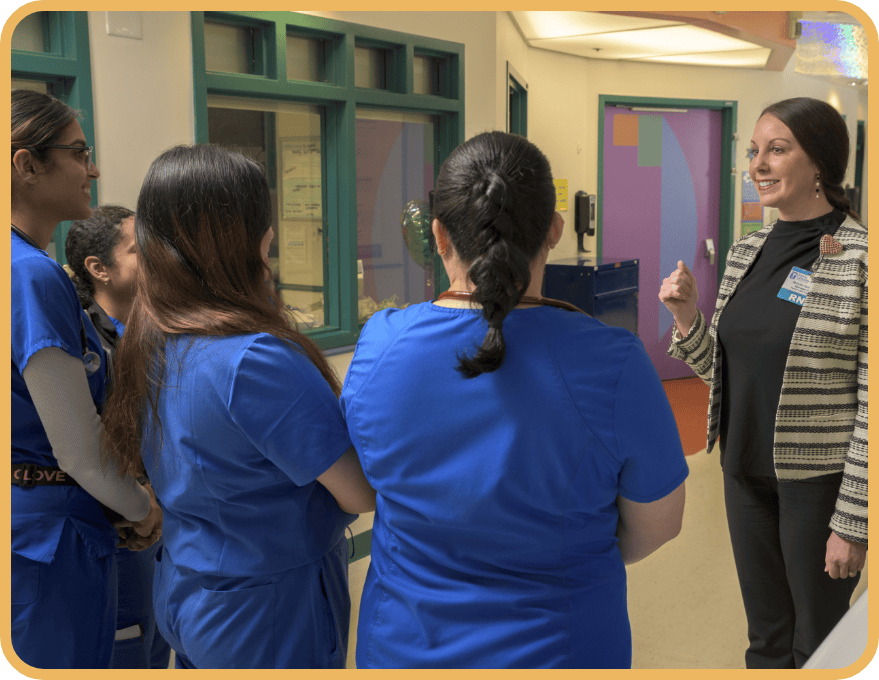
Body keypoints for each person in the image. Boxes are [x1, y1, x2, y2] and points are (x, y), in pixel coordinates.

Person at [340, 131, 688, 668]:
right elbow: (658, 526)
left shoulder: (382, 345)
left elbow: (368, 475)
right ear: (554, 230)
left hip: (405, 649)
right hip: (559, 650)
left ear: (437, 235)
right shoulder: (613, 361)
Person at [101, 144, 376, 669]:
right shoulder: (255, 360)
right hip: (267, 608)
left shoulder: (152, 336)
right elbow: (359, 490)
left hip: (191, 590)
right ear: (242, 240)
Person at [659, 97, 867, 669]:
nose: (758, 165)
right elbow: (721, 373)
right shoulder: (747, 251)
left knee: (820, 643)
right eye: (754, 152)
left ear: (820, 162)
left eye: (777, 150)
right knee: (767, 639)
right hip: (742, 471)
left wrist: (852, 520)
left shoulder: (860, 259)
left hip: (818, 484)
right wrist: (686, 318)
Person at [10, 90, 162, 668]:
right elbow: (80, 451)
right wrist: (142, 508)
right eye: (78, 152)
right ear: (26, 164)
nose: (92, 168)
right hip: (52, 536)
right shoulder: (32, 277)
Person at [65, 206, 172, 669]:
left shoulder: (157, 330)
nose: (152, 258)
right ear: (99, 269)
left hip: (167, 527)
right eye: (136, 250)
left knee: (159, 641)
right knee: (128, 648)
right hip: (126, 530)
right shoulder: (83, 347)